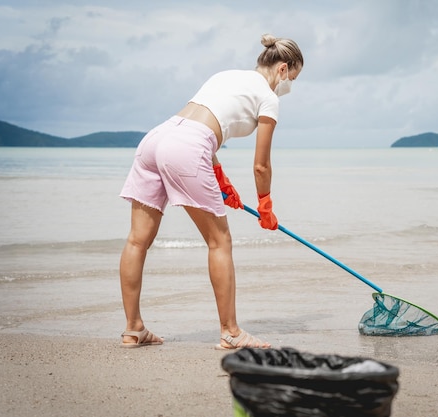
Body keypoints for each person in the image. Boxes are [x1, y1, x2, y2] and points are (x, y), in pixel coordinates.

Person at [118, 34, 304, 349]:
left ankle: (133, 329)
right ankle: (231, 332)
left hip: (157, 138)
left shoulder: (226, 76)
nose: (289, 87)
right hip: (188, 148)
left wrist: (221, 181)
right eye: (293, 78)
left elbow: (204, 125)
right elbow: (260, 165)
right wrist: (265, 205)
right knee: (220, 242)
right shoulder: (269, 98)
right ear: (283, 69)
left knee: (137, 240)